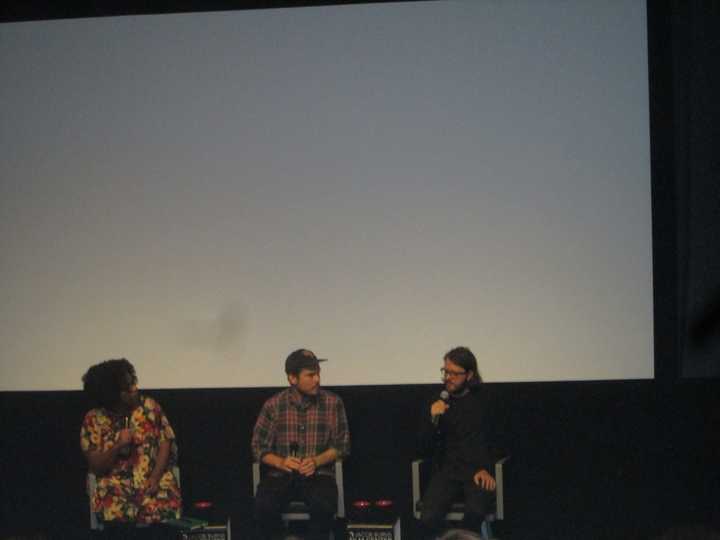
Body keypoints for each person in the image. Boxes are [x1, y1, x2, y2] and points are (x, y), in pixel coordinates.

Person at [251, 349, 351, 540]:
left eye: (318, 374)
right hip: (280, 475)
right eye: (311, 375)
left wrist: (315, 461)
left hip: (318, 475)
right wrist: (281, 462)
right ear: (292, 378)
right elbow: (258, 447)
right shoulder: (273, 405)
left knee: (323, 506)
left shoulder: (333, 403)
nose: (317, 380)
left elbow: (342, 445)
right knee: (264, 506)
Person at [80, 358, 181, 539]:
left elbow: (166, 441)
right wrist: (118, 446)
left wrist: (156, 476)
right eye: (128, 388)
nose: (135, 389)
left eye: (133, 383)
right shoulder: (94, 419)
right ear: (113, 395)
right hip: (116, 490)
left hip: (152, 483)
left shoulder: (150, 407)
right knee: (117, 514)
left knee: (162, 509)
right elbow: (96, 466)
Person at [417, 347, 496, 539]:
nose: (448, 377)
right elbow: (423, 446)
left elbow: (490, 443)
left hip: (477, 471)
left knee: (476, 511)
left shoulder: (482, 402)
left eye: (454, 373)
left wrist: (486, 469)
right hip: (448, 471)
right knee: (428, 516)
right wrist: (432, 418)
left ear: (469, 375)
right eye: (445, 371)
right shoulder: (438, 402)